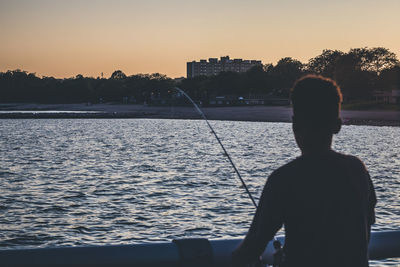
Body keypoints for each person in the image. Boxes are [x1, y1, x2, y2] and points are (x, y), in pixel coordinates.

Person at [232, 75, 377, 267]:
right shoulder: (357, 170)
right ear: (337, 125)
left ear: (294, 124)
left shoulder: (283, 180)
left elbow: (248, 251)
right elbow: (361, 233)